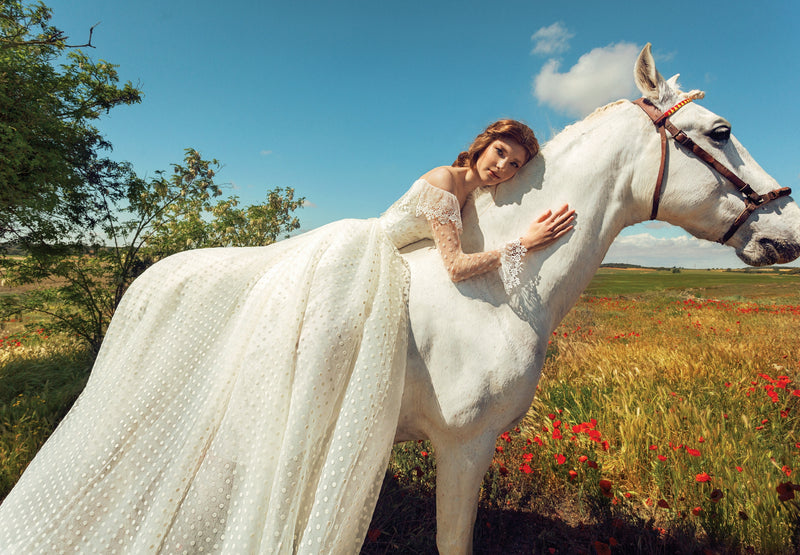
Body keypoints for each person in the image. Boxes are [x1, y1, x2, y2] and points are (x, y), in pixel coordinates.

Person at [0, 119, 573, 554]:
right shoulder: (448, 182)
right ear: (481, 145)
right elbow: (453, 265)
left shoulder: (472, 194)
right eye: (501, 153)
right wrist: (525, 244)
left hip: (381, 262)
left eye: (516, 164)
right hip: (359, 259)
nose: (504, 167)